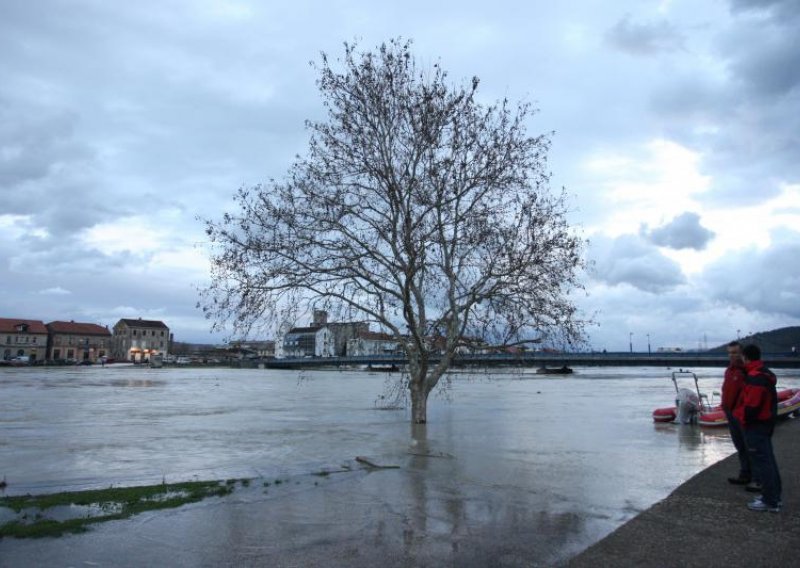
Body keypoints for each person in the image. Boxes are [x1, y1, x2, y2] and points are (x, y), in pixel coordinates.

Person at [734, 344, 782, 512]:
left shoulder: (755, 377)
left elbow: (752, 406)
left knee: (763, 463)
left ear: (746, 357)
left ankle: (770, 501)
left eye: (741, 356)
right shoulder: (764, 374)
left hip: (756, 426)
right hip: (765, 424)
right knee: (769, 461)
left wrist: (743, 420)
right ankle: (774, 496)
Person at [721, 341, 750, 485]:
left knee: (748, 446)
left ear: (741, 353)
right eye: (730, 353)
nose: (731, 356)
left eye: (734, 353)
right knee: (739, 445)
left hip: (740, 414)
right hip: (730, 413)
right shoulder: (729, 370)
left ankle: (755, 477)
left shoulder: (746, 371)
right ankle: (744, 473)